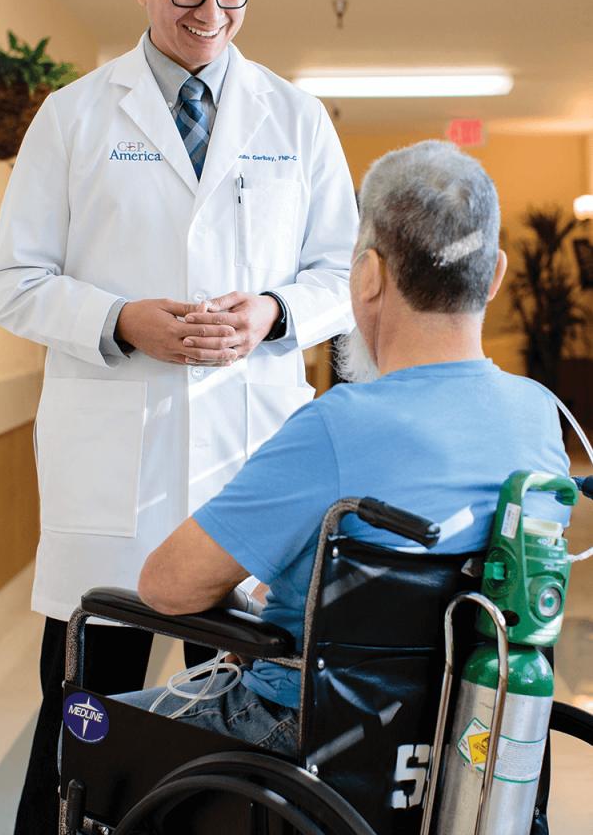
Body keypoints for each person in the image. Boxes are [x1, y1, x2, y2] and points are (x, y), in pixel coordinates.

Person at [0, 0, 357, 834]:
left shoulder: (295, 118)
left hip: (245, 471)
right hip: (115, 477)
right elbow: (11, 281)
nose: (212, 17)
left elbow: (343, 277)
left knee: (231, 736)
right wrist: (119, 320)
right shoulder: (71, 119)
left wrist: (274, 312)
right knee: (85, 729)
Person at [122, 139, 570, 759]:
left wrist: (258, 608)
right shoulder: (539, 415)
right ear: (495, 275)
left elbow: (169, 586)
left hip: (302, 734)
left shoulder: (337, 425)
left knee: (92, 726)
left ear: (367, 275)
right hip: (459, 741)